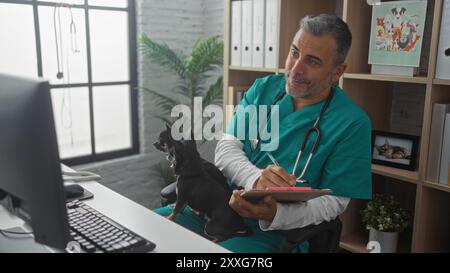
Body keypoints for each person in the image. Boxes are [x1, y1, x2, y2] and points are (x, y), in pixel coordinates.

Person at [155, 14, 372, 253]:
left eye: (312, 61)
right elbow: (227, 148)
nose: (295, 69)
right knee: (142, 235)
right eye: (294, 53)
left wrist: (277, 213)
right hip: (213, 206)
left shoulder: (352, 123)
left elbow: (334, 202)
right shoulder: (265, 89)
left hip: (275, 232)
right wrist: (255, 179)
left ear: (337, 71)